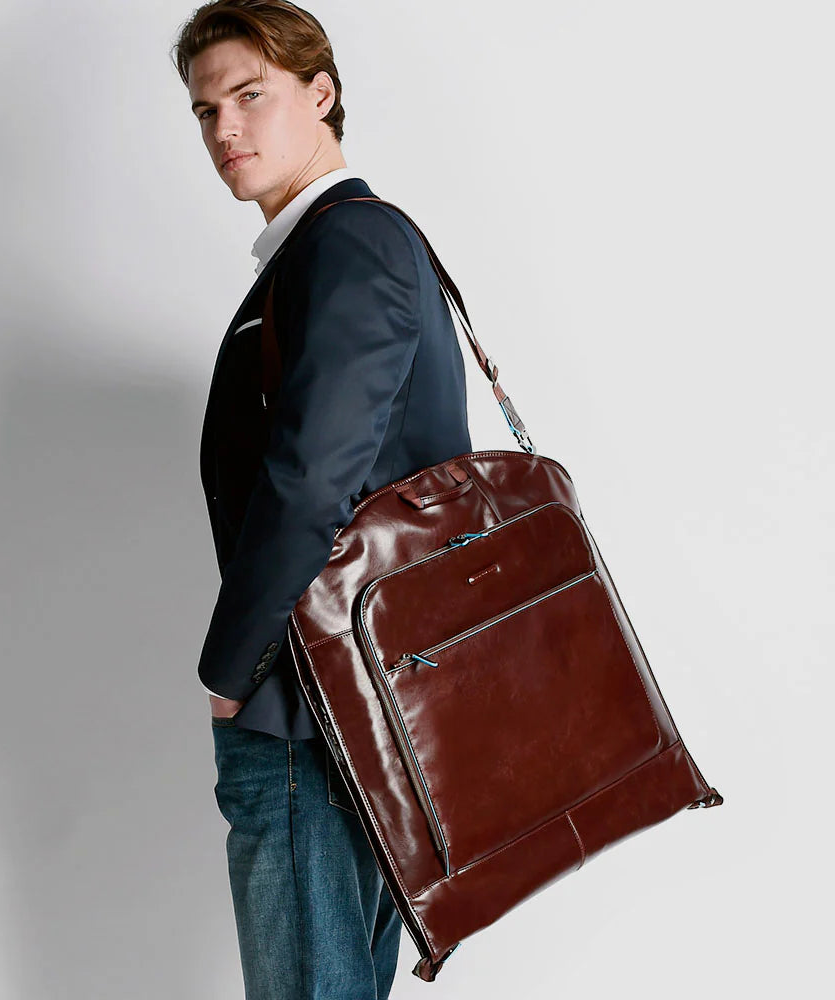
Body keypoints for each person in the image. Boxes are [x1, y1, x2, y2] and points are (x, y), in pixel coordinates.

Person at [173, 2, 472, 996]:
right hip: (355, 695)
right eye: (205, 109)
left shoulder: (350, 245)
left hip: (309, 704)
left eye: (249, 94)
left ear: (321, 93)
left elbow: (312, 477)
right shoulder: (329, 251)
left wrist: (232, 670)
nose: (225, 127)